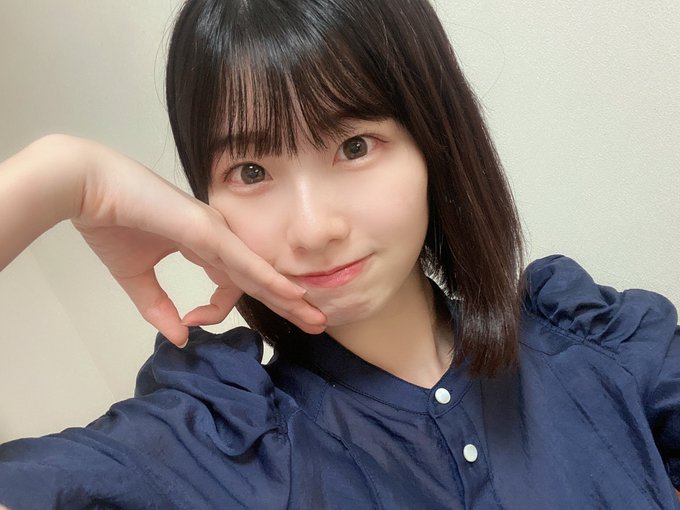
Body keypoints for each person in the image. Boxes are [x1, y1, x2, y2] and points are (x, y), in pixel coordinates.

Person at [0, 0, 678, 508]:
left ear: (433, 143)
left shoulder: (598, 350)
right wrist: (63, 179)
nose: (313, 228)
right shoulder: (217, 447)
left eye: (354, 146)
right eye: (251, 171)